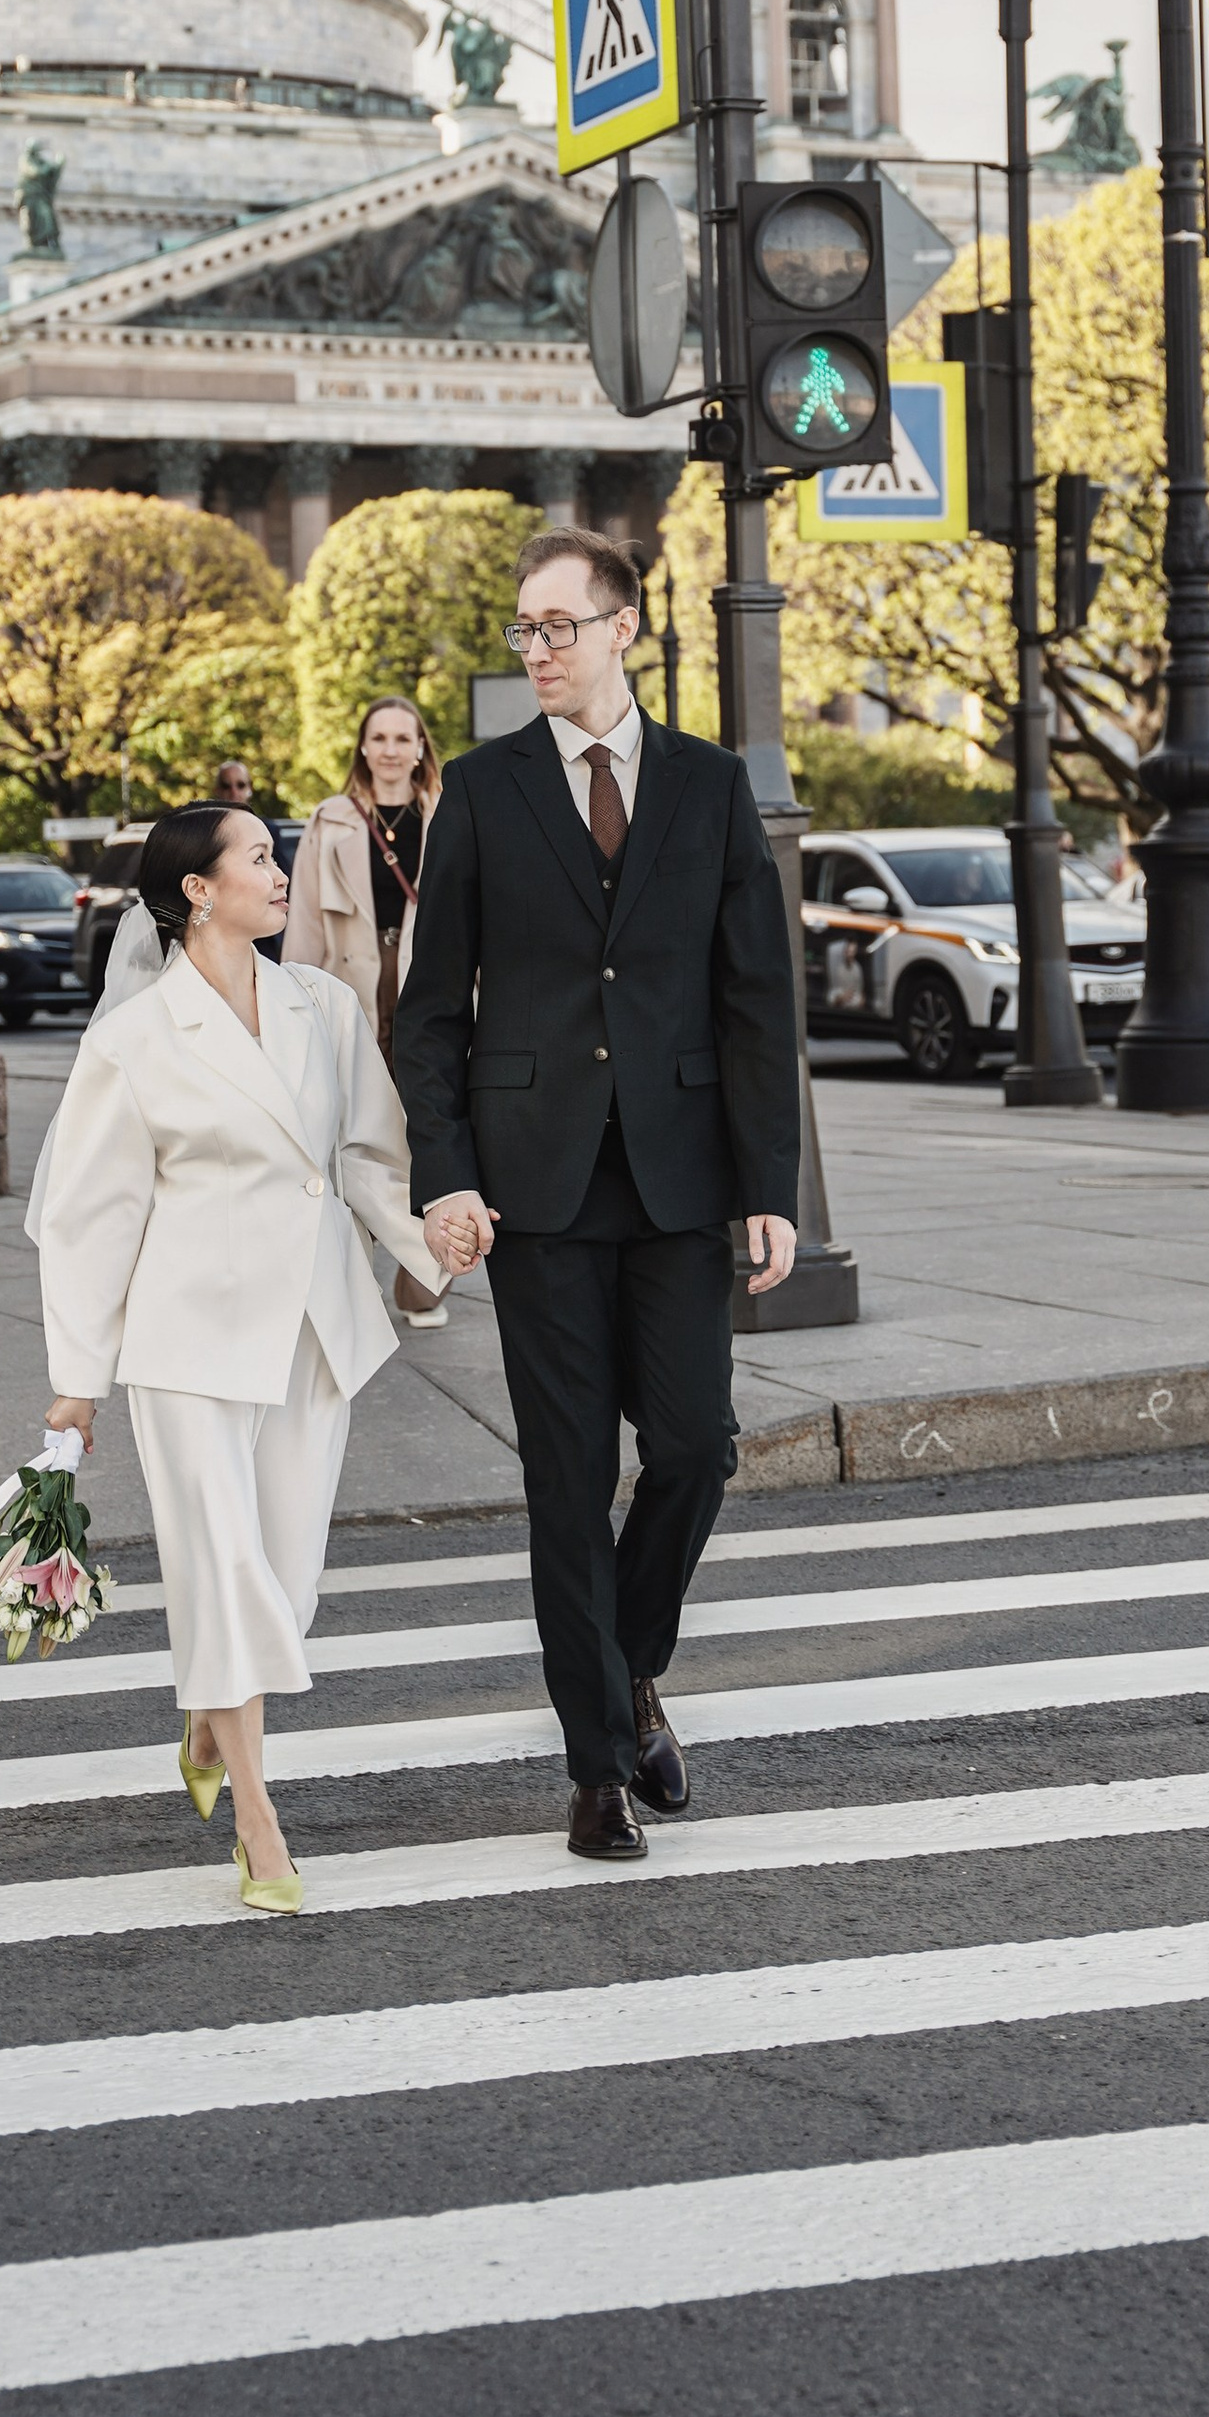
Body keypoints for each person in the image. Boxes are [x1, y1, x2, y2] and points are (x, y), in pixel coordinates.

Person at [394, 525, 800, 1865]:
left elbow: (755, 997)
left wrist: (769, 1182)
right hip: (537, 1188)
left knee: (694, 1449)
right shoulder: (483, 791)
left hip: (680, 1181)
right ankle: (596, 1769)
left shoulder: (709, 785)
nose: (538, 650)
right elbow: (428, 1013)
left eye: (558, 626)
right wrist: (447, 1175)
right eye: (525, 630)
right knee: (568, 1480)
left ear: (624, 627)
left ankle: (629, 1668)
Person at [33, 802, 446, 1913]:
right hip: (189, 1339)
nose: (281, 871)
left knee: (286, 1585)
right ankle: (259, 1823)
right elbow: (89, 1215)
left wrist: (431, 1242)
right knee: (221, 1571)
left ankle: (209, 1721)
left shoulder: (323, 1005)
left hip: (312, 1328)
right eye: (260, 857)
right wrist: (78, 1382)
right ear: (199, 889)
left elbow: (370, 1156)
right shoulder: (134, 1038)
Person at [282, 697, 447, 1327]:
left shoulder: (449, 813)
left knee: (428, 1128)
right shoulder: (331, 819)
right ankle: (353, 1272)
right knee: (355, 1134)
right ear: (362, 746)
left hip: (427, 987)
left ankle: (422, 1274)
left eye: (403, 738)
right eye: (379, 737)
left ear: (420, 747)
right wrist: (294, 1000)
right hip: (350, 990)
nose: (390, 750)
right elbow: (305, 918)